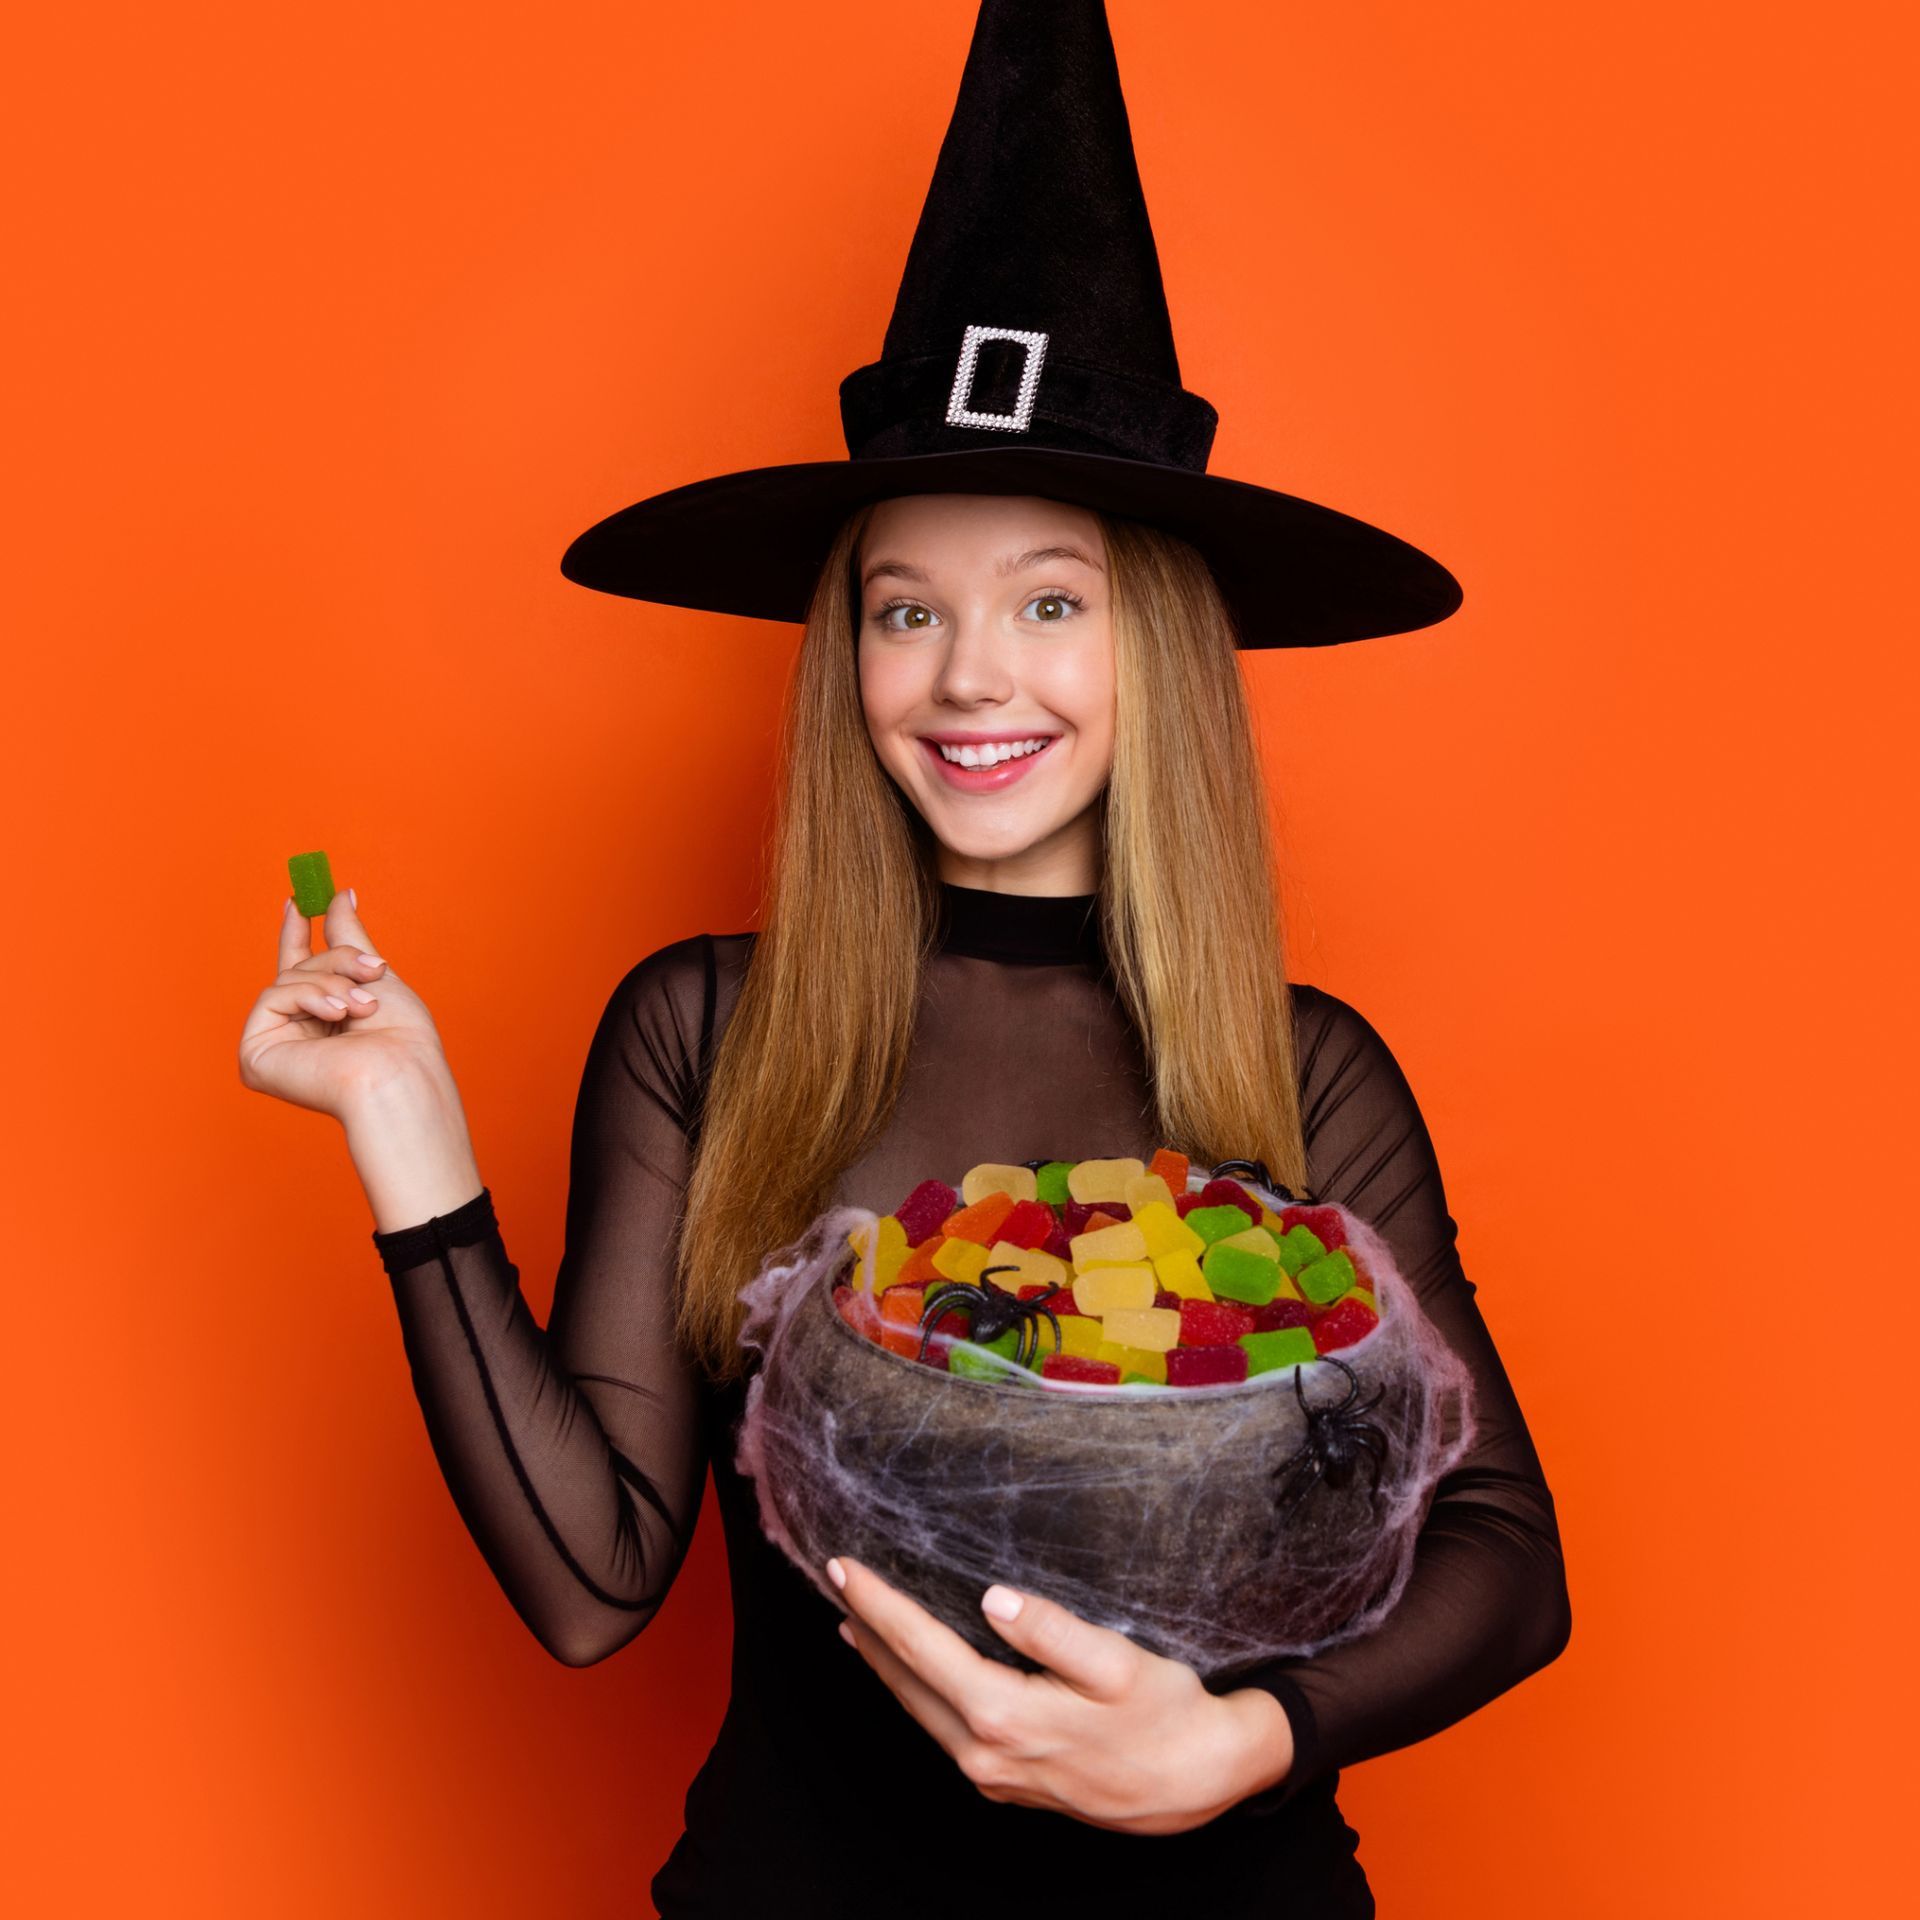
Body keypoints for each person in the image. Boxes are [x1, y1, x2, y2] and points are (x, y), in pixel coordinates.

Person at [237, 7, 1570, 1915]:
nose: (968, 677)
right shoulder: (704, 1030)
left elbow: (1508, 1558)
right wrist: (403, 1126)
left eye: (1049, 601)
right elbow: (594, 1586)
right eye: (903, 609)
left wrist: (1245, 1741)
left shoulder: (1306, 1064)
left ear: (1159, 656)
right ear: (842, 658)